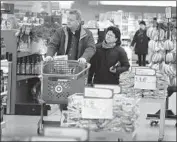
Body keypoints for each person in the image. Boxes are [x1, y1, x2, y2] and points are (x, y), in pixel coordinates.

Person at [45, 9, 96, 111]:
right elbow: (53, 44)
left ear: (78, 21)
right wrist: (49, 55)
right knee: (62, 93)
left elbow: (91, 48)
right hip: (62, 70)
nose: (68, 21)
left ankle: (74, 116)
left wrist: (84, 58)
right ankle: (64, 115)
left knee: (77, 94)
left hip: (79, 70)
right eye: (67, 19)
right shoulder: (60, 32)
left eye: (71, 20)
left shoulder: (87, 34)